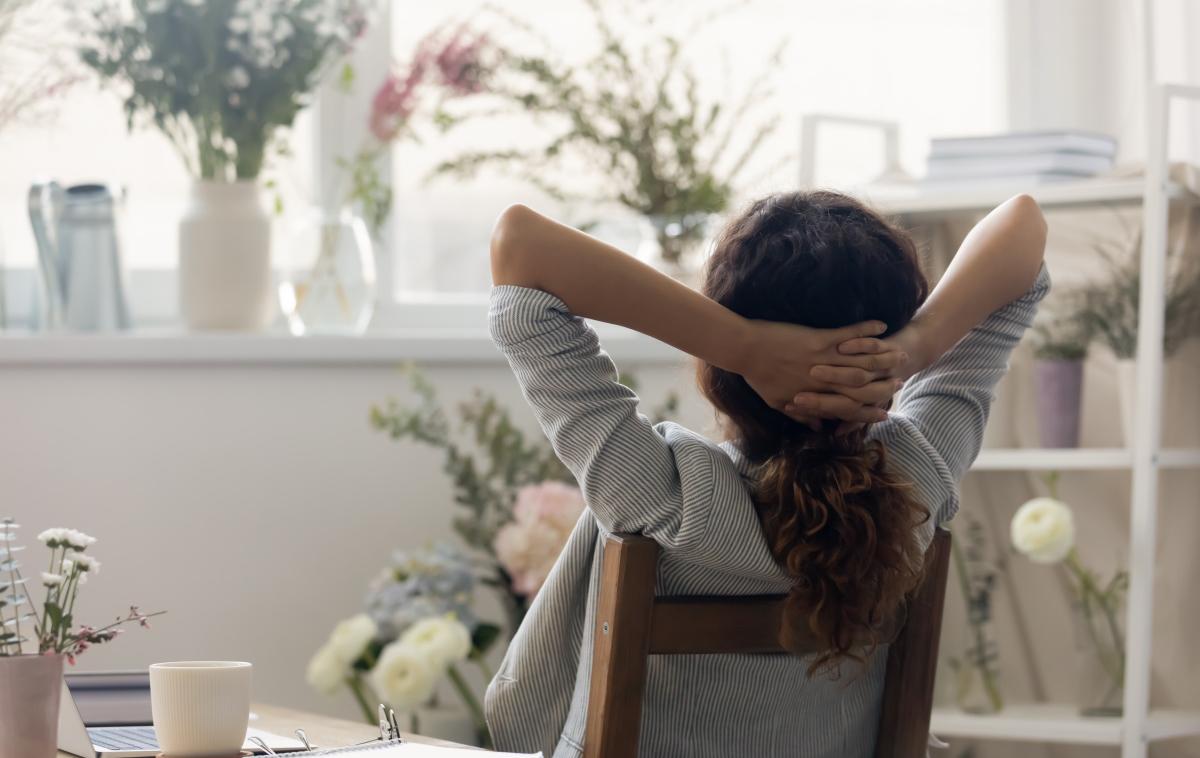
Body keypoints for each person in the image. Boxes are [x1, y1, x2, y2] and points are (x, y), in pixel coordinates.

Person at [484, 190, 1049, 757]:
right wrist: (915, 347)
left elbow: (519, 249)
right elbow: (1024, 228)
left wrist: (742, 344)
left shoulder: (664, 498)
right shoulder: (919, 478)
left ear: (721, 372)